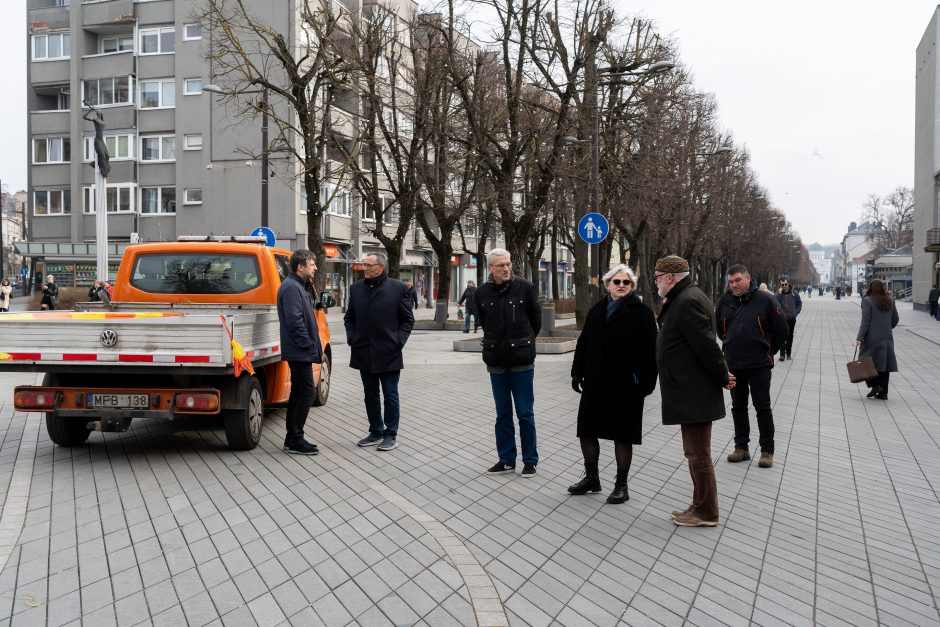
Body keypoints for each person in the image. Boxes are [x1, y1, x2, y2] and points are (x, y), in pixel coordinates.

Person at [654, 255, 735, 527]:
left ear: (668, 278)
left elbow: (706, 346)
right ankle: (698, 505)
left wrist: (723, 376)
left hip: (694, 392)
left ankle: (707, 512)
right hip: (690, 391)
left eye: (657, 278)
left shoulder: (687, 301)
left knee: (699, 454)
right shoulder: (685, 297)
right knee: (694, 453)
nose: (656, 283)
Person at [569, 264, 657, 504]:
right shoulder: (597, 310)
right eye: (616, 282)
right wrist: (577, 372)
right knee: (586, 430)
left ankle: (621, 485)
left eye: (626, 282)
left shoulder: (642, 313)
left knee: (623, 435)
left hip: (626, 386)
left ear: (631, 286)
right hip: (595, 382)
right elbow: (584, 343)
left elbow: (651, 353)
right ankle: (592, 478)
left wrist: (645, 385)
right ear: (607, 285)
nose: (621, 286)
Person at [476, 248, 542, 478]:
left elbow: (536, 323)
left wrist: (522, 343)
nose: (506, 268)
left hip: (521, 362)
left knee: (525, 413)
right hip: (496, 362)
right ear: (490, 269)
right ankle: (506, 460)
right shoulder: (481, 293)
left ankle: (530, 461)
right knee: (502, 414)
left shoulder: (525, 288)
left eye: (508, 264)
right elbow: (484, 322)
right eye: (501, 265)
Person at [716, 264, 788, 469]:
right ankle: (742, 448)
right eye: (730, 282)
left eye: (738, 280)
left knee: (762, 407)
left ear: (748, 278)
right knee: (738, 407)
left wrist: (768, 351)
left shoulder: (766, 300)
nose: (734, 285)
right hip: (734, 365)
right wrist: (729, 345)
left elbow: (782, 330)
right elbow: (720, 330)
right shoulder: (725, 301)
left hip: (759, 366)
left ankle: (767, 451)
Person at [345, 253, 415, 451]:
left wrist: (398, 342)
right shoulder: (356, 288)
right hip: (363, 350)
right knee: (370, 394)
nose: (364, 268)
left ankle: (390, 434)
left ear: (380, 267)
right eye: (363, 265)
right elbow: (349, 318)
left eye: (368, 265)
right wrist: (352, 338)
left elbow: (408, 320)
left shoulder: (398, 289)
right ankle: (375, 431)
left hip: (389, 352)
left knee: (390, 394)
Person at [276, 249, 324, 455]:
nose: (315, 267)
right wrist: (308, 345)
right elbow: (295, 321)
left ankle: (292, 438)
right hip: (299, 351)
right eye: (312, 264)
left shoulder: (297, 286)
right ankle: (295, 439)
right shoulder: (291, 288)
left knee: (298, 393)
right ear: (300, 266)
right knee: (306, 394)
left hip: (299, 350)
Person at [856, 279, 899, 400]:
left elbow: (865, 322)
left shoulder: (867, 300)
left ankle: (875, 385)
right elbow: (895, 319)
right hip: (887, 337)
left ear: (871, 287)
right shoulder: (891, 300)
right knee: (884, 363)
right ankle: (883, 393)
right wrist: (886, 327)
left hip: (871, 337)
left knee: (865, 360)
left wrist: (860, 338)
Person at [777, 278, 802, 361]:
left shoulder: (794, 293)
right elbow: (773, 301)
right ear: (780, 285)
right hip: (782, 319)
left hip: (791, 318)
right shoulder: (779, 294)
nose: (784, 286)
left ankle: (788, 353)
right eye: (782, 285)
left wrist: (796, 312)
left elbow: (799, 303)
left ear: (788, 284)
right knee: (782, 336)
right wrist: (779, 294)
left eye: (785, 284)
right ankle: (782, 355)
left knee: (790, 336)